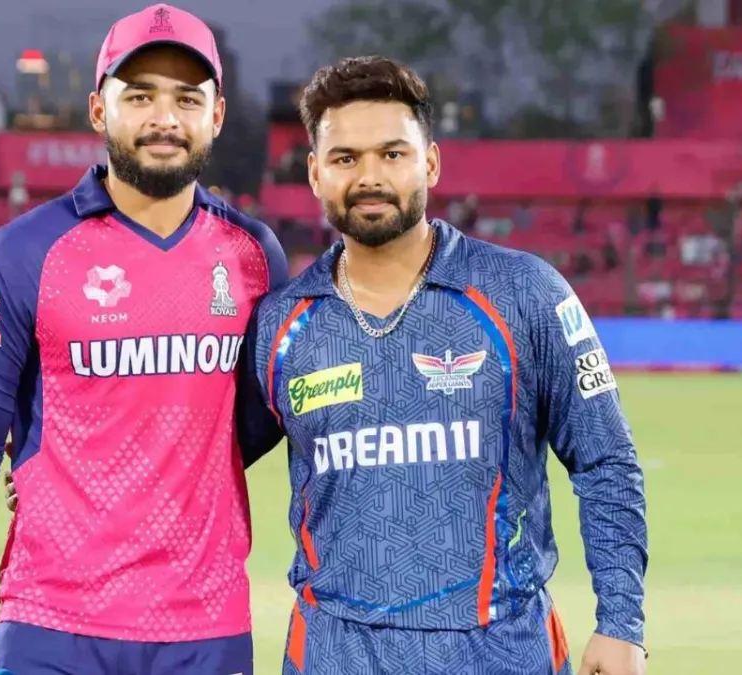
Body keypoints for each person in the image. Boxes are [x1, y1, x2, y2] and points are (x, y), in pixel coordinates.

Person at [244, 57, 648, 675]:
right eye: (346, 158)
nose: (370, 176)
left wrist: (621, 622)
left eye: (393, 154)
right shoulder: (280, 324)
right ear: (316, 173)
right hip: (337, 653)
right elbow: (208, 469)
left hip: (502, 651)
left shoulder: (524, 294)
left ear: (430, 163)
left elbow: (606, 460)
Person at [0, 4, 287, 675]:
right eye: (140, 96)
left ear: (217, 115)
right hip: (51, 628)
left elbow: (260, 421)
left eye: (186, 98)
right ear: (98, 110)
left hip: (206, 629)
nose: (164, 118)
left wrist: (170, 463)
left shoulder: (254, 257)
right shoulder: (18, 257)